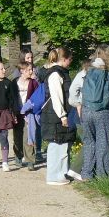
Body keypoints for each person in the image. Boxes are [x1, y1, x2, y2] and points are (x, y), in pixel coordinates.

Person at [68, 47, 109, 181]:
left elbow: (73, 89)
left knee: (89, 142)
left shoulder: (86, 70)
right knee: (103, 142)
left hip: (86, 110)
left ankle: (87, 174)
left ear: (96, 55)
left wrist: (77, 104)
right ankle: (103, 176)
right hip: (103, 112)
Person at [40, 47, 74, 185]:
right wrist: (62, 115)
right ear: (64, 59)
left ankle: (62, 173)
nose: (71, 62)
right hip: (55, 115)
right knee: (57, 144)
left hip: (58, 114)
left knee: (62, 144)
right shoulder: (55, 74)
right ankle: (54, 176)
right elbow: (56, 96)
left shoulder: (60, 72)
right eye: (70, 59)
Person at [14, 60, 38, 168]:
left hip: (29, 114)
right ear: (22, 71)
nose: (31, 71)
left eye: (31, 69)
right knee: (17, 136)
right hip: (16, 113)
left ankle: (30, 160)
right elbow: (11, 98)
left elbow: (37, 98)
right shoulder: (14, 83)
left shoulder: (34, 83)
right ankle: (18, 156)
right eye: (29, 70)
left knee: (29, 136)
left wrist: (31, 109)